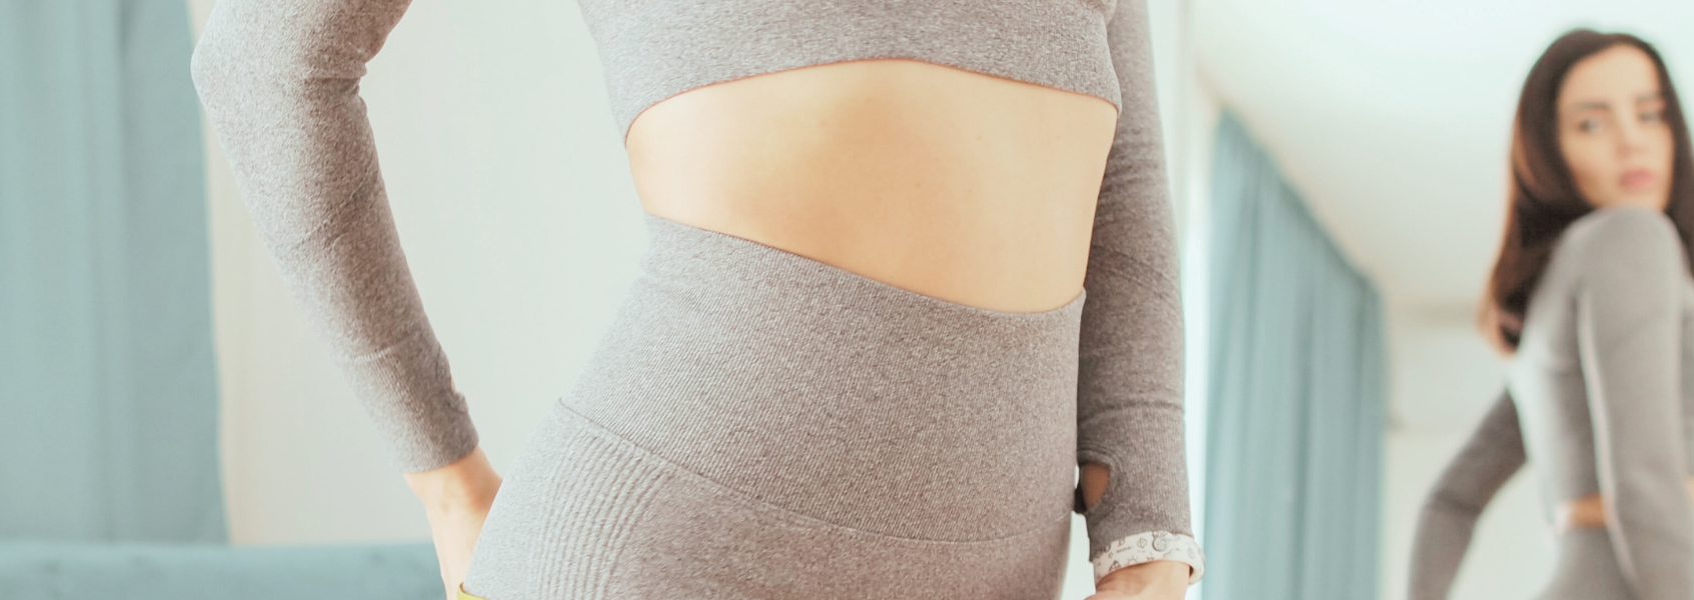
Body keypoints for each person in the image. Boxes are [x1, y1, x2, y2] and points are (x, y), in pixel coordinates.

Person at [188, 0, 1203, 599]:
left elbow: (1125, 183)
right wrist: (444, 477)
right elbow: (262, 58)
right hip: (672, 556)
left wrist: (1147, 542)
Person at [1406, 29, 1694, 600]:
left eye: (1650, 114)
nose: (1632, 141)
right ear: (1548, 148)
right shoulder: (1631, 235)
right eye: (1594, 122)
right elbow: (1641, 482)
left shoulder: (1546, 308)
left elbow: (1450, 501)